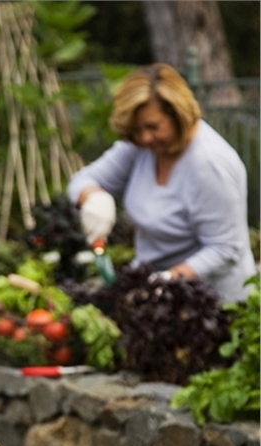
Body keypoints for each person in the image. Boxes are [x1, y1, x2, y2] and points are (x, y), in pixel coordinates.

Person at [67, 62, 257, 303]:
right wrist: (92, 196)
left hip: (212, 302)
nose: (144, 137)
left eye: (153, 127)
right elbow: (82, 180)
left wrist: (168, 280)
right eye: (137, 129)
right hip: (152, 292)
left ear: (178, 115)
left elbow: (225, 249)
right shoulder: (142, 147)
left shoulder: (209, 164)